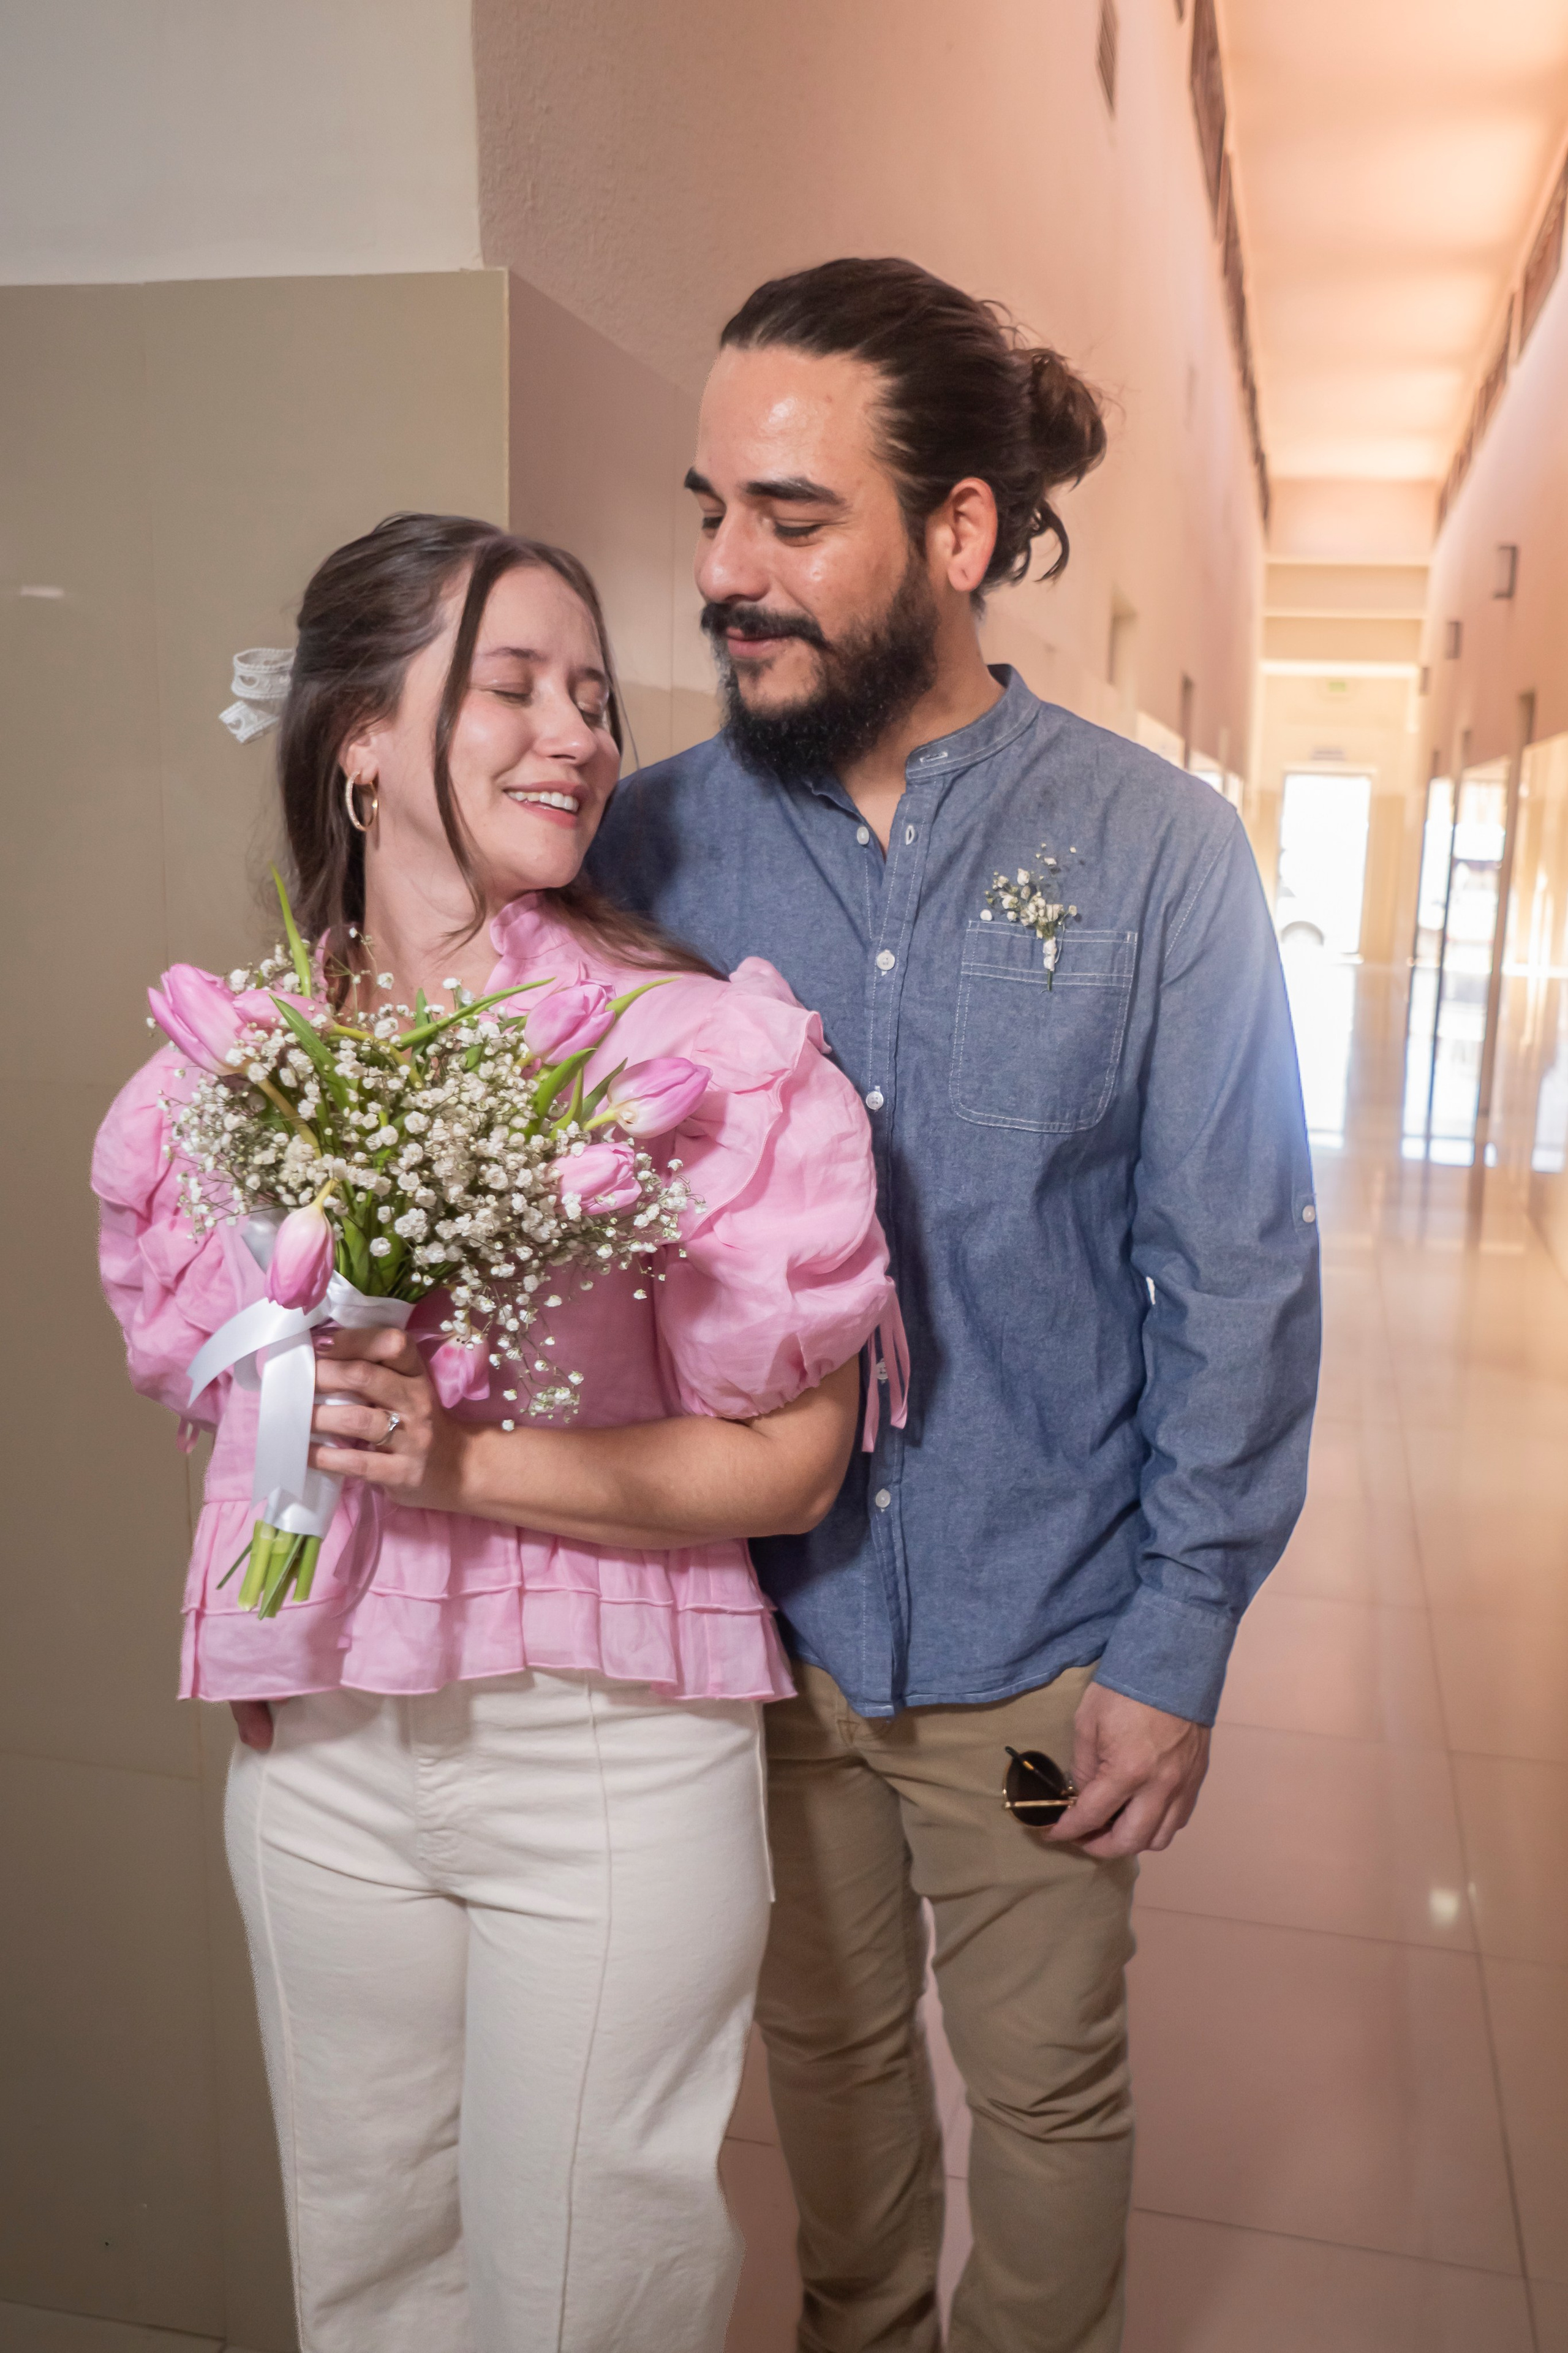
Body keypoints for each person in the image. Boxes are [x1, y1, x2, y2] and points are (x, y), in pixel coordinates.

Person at [589, 258, 1321, 2353]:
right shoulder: (655, 842)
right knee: (820, 2073)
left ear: (964, 535)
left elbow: (1239, 1265)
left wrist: (1178, 1638)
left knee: (1046, 2087)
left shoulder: (1159, 851)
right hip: (764, 1630)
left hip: (1043, 1629)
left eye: (792, 520)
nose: (728, 571)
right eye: (711, 507)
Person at [92, 512, 903, 2353]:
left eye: (598, 698)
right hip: (323, 1758)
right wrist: (278, 1556)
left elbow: (788, 1459)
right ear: (360, 737)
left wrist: (460, 1463)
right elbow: (230, 1385)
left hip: (602, 1753)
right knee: (369, 2259)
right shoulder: (232, 1067)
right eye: (515, 686)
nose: (577, 737)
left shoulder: (687, 1055)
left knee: (588, 2286)